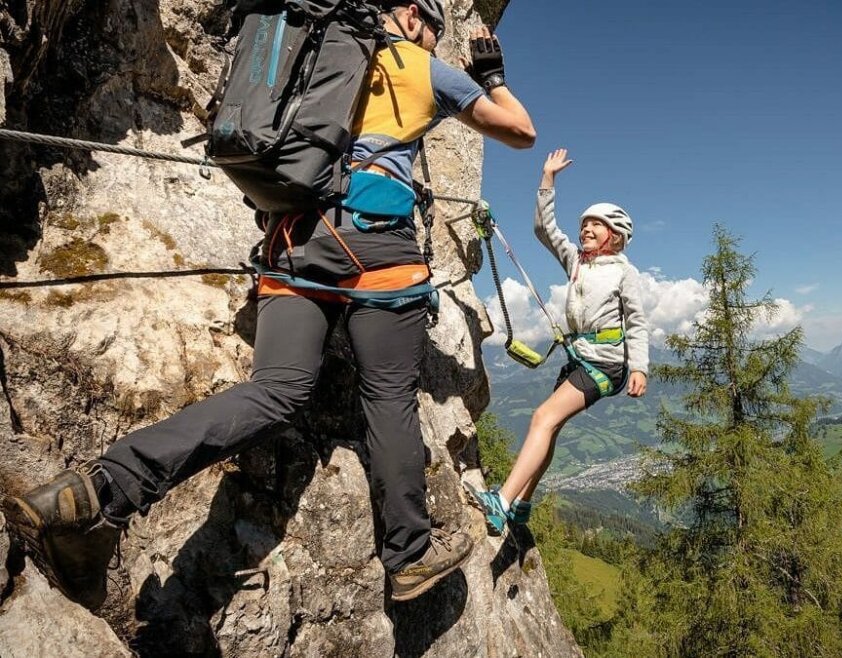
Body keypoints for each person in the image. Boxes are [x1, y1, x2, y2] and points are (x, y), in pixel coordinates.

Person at [2, 0, 535, 609]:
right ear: (413, 14)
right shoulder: (418, 63)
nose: (436, 41)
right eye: (435, 29)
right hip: (379, 244)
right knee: (388, 394)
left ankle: (99, 492)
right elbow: (521, 131)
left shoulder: (304, 47)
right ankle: (409, 555)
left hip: (293, 238)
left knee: (276, 390)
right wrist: (491, 74)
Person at [466, 148, 648, 534]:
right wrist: (547, 179)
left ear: (614, 237)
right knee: (550, 427)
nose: (586, 229)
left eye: (595, 226)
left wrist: (639, 368)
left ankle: (502, 502)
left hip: (605, 364)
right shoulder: (577, 262)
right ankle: (523, 503)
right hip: (580, 357)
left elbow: (637, 322)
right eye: (584, 224)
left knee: (542, 419)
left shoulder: (624, 273)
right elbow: (544, 230)